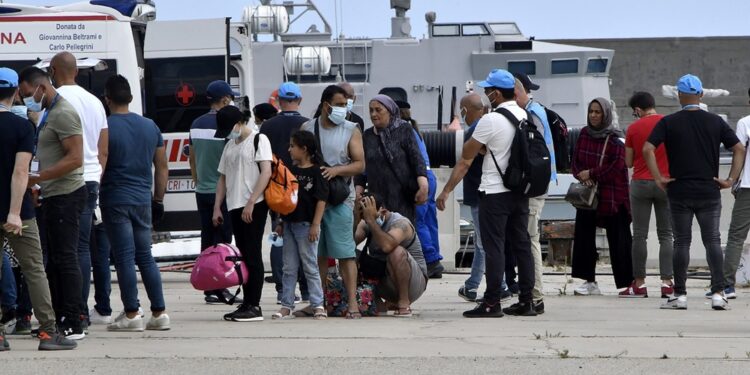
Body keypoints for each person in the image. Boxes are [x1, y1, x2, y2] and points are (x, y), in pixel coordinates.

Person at [437, 68, 537, 317]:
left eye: (487, 90)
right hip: (520, 192)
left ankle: (492, 302)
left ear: (495, 93)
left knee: (494, 248)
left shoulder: (490, 121)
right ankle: (527, 301)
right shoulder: (524, 115)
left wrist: (446, 191)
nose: (485, 93)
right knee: (522, 246)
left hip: (494, 192)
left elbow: (465, 160)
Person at [645, 74, 744, 310]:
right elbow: (739, 148)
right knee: (712, 240)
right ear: (700, 95)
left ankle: (679, 295)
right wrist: (730, 179)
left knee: (681, 242)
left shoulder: (668, 122)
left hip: (679, 189)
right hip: (709, 190)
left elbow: (648, 148)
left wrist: (659, 178)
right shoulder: (715, 122)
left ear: (679, 95)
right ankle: (719, 293)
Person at [0, 67, 77, 350]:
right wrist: (14, 212)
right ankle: (47, 332)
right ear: (16, 92)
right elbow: (21, 173)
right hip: (19, 212)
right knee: (34, 269)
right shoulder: (23, 127)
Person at [19, 66, 87, 339]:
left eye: (27, 94)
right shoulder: (50, 112)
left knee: (66, 259)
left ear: (41, 88)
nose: (26, 99)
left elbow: (75, 158)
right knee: (56, 261)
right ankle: (61, 317)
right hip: (52, 194)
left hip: (66, 195)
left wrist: (37, 177)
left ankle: (73, 320)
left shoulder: (64, 113)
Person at [99, 75, 170, 331]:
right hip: (143, 200)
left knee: (125, 258)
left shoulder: (105, 127)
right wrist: (158, 199)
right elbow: (162, 166)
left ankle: (132, 313)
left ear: (107, 99)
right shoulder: (150, 126)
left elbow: (101, 162)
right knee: (146, 257)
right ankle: (159, 313)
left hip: (115, 198)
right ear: (129, 97)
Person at [49, 51, 109, 326]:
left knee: (62, 251)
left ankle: (69, 310)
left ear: (53, 70)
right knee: (83, 248)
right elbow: (103, 150)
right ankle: (82, 311)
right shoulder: (95, 101)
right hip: (91, 180)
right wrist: (96, 174)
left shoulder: (56, 101)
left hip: (63, 181)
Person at [301, 85, 365, 318]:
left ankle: (352, 303)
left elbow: (359, 164)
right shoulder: (308, 127)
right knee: (316, 254)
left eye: (345, 104)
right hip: (313, 200)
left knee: (345, 252)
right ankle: (319, 303)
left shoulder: (351, 129)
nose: (343, 108)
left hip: (339, 199)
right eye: (339, 104)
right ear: (326, 105)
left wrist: (336, 170)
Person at [213, 106, 272, 322]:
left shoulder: (259, 139)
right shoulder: (230, 144)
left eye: (229, 128)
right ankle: (246, 303)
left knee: (253, 255)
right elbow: (222, 178)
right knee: (244, 256)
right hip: (234, 205)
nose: (228, 133)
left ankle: (254, 306)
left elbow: (266, 172)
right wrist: (217, 207)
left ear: (239, 123)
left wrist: (250, 203)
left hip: (254, 204)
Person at [570, 98, 633, 296]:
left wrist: (593, 174)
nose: (594, 115)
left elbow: (617, 166)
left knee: (620, 239)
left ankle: (627, 283)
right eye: (591, 112)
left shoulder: (615, 138)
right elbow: (575, 160)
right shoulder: (584, 134)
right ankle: (589, 281)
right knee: (584, 238)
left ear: (605, 114)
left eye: (598, 112)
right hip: (588, 196)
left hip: (613, 195)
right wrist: (582, 175)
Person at [454, 93, 511, 303]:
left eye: (462, 109)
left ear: (468, 109)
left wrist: (446, 190)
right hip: (487, 193)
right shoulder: (491, 127)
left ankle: (501, 286)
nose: (461, 114)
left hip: (480, 194)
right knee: (483, 243)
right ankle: (472, 285)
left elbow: (464, 163)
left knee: (485, 244)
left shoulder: (477, 130)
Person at [188, 80, 239, 305]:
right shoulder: (228, 125)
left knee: (207, 239)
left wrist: (198, 181)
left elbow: (192, 157)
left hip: (202, 191)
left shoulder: (196, 124)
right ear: (225, 100)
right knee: (223, 241)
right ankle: (220, 287)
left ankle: (209, 287)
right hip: (223, 192)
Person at [260, 81, 310, 304]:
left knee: (278, 236)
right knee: (305, 238)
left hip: (276, 188)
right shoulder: (307, 124)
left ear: (279, 101)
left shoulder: (267, 126)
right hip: (304, 187)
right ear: (299, 100)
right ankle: (307, 289)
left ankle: (282, 290)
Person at [510, 73, 555, 313]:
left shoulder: (531, 114)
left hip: (534, 187)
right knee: (528, 239)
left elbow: (532, 152)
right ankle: (533, 294)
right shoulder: (536, 111)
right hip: (540, 183)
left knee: (530, 240)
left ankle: (535, 295)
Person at [621, 91, 673, 298]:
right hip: (665, 182)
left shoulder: (634, 128)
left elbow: (628, 162)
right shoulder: (668, 123)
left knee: (640, 235)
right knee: (666, 235)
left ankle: (639, 284)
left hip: (641, 183)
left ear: (637, 110)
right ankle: (667, 283)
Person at [272, 131, 328, 320]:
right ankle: (286, 304)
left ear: (304, 149)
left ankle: (317, 304)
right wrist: (280, 221)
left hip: (306, 225)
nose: (289, 150)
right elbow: (284, 198)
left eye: (292, 146)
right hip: (288, 224)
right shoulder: (289, 171)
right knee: (289, 267)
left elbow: (321, 200)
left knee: (310, 265)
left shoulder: (317, 172)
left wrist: (315, 224)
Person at [356, 95, 428, 224]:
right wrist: (358, 191)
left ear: (389, 111)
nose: (373, 114)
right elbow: (362, 166)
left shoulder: (404, 129)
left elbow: (416, 159)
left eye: (378, 110)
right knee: (377, 234)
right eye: (371, 110)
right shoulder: (367, 136)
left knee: (400, 233)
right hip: (377, 197)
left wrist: (423, 185)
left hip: (401, 196)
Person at [354, 195, 428, 317]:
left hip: (414, 284)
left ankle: (404, 302)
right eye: (364, 216)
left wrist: (372, 221)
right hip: (385, 280)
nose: (365, 219)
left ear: (382, 211)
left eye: (367, 215)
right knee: (349, 255)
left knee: (396, 252)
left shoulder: (400, 223)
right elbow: (347, 244)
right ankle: (376, 302)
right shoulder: (366, 222)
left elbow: (387, 246)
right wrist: (356, 219)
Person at [395, 100, 444, 279]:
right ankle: (434, 256)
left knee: (418, 220)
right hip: (429, 176)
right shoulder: (414, 129)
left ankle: (430, 261)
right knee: (430, 219)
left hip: (418, 177)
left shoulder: (402, 130)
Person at [722, 87, 750, 300]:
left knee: (736, 236)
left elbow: (739, 152)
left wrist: (732, 180)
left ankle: (727, 286)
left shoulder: (745, 122)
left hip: (748, 187)